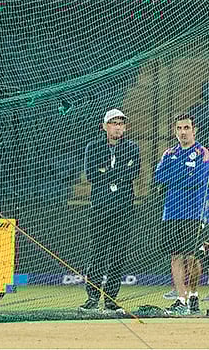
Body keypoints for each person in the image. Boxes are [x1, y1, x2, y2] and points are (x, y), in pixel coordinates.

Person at [79, 109, 140, 313]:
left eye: (121, 123)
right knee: (97, 252)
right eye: (113, 123)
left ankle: (111, 298)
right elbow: (91, 174)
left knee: (117, 254)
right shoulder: (93, 147)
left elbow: (134, 172)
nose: (117, 127)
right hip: (99, 207)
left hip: (123, 207)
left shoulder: (132, 147)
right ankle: (92, 297)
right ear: (104, 126)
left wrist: (108, 172)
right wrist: (117, 173)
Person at [154, 114, 209, 315]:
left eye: (187, 127)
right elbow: (158, 176)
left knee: (192, 258)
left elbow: (198, 180)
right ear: (175, 131)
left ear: (194, 130)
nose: (183, 132)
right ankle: (181, 299)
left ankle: (194, 294)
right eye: (179, 128)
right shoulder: (168, 153)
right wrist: (183, 172)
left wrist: (175, 176)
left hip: (194, 211)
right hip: (171, 212)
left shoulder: (203, 152)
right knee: (176, 256)